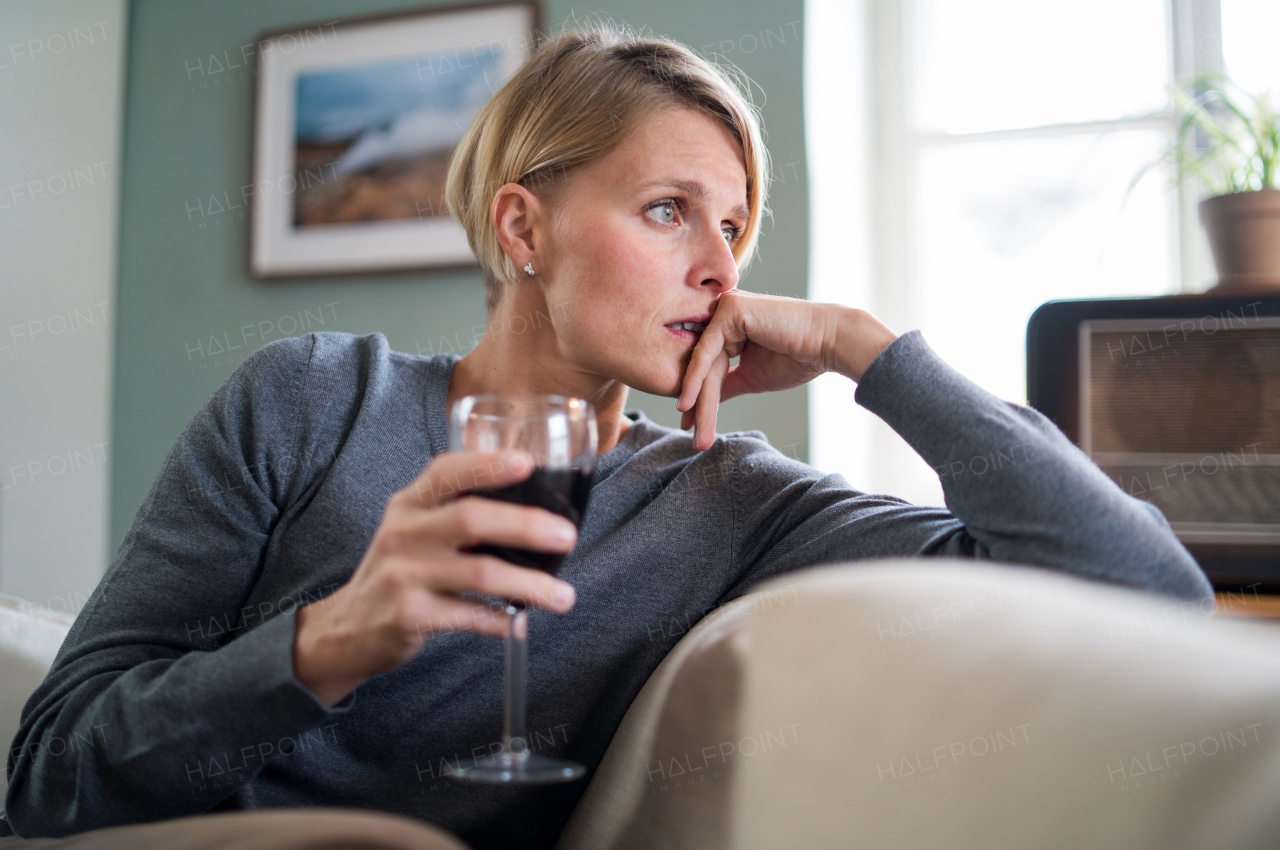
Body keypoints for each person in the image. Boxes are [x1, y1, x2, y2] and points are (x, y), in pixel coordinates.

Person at [4, 20, 1212, 850]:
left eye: (734, 226)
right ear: (522, 227)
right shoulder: (310, 399)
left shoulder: (729, 494)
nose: (716, 266)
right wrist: (331, 641)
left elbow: (1145, 588)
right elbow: (50, 776)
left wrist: (864, 348)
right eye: (665, 210)